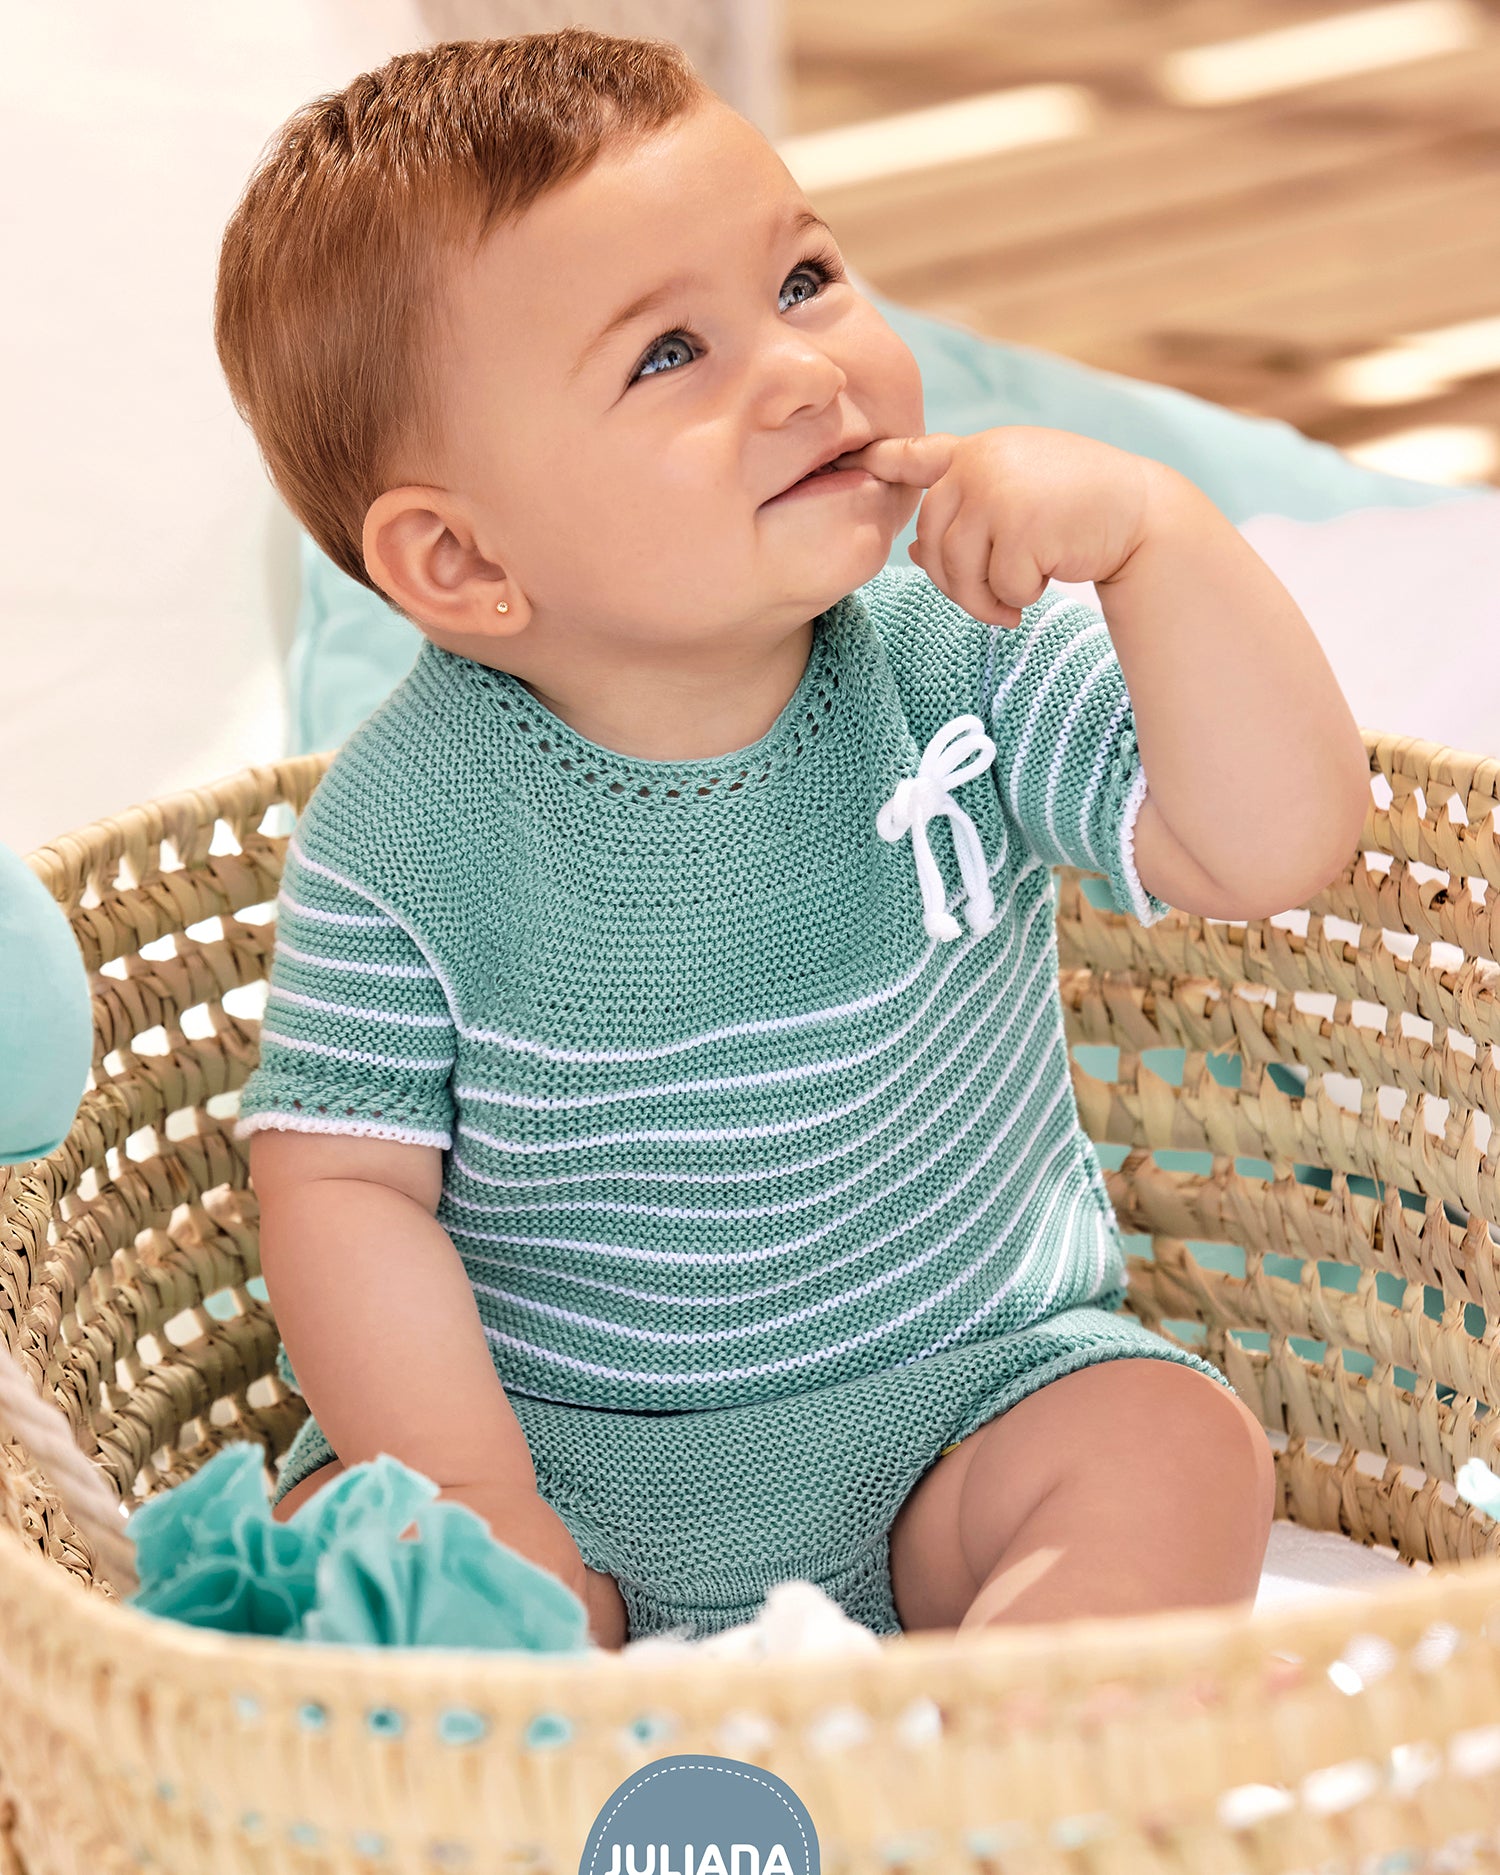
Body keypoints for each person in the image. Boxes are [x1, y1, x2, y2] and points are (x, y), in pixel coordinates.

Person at [216, 28, 1368, 1653]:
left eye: (805, 279)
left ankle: (993, 1735)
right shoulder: (402, 831)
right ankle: (550, 1709)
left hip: (963, 1404)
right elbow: (344, 1189)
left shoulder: (958, 656)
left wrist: (1159, 543)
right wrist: (472, 1494)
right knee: (339, 1557)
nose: (805, 372)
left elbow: (1269, 845)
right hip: (551, 1454)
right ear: (464, 563)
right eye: (669, 355)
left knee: (1175, 1447)